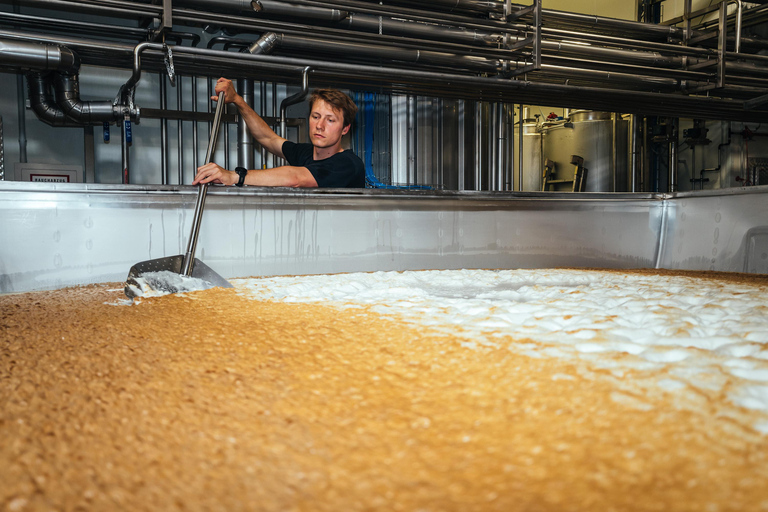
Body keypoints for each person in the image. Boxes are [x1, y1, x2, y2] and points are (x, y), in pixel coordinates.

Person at [193, 77, 365, 188]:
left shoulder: (348, 164)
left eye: (330, 120)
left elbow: (295, 177)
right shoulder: (305, 153)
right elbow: (268, 138)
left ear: (345, 129)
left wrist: (234, 176)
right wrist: (238, 101)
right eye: (315, 116)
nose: (320, 125)